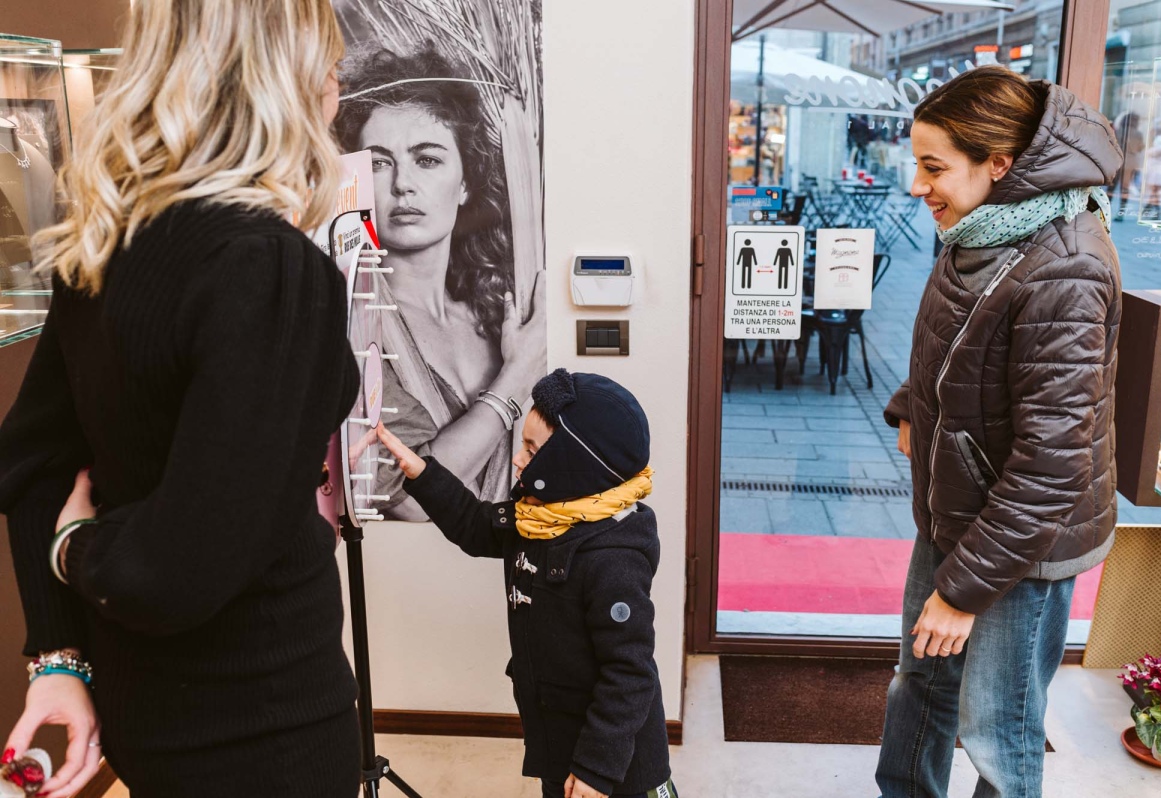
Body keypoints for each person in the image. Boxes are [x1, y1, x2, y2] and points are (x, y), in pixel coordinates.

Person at [0, 2, 361, 796]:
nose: (336, 92)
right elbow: (176, 569)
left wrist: (56, 658)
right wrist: (74, 548)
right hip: (263, 726)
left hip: (145, 709)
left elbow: (30, 463)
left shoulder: (103, 243)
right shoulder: (268, 266)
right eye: (330, 69)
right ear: (287, 81)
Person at [876, 66, 1121, 798]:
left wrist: (962, 593)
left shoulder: (1065, 267)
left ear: (1000, 163)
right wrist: (912, 407)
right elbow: (959, 338)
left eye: (933, 168)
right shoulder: (984, 228)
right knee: (920, 684)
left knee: (997, 729)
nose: (917, 186)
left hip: (1023, 543)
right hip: (961, 509)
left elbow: (1051, 463)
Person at [376, 369, 677, 798]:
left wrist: (596, 770)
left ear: (571, 466)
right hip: (558, 740)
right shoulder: (540, 520)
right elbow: (476, 527)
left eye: (532, 450)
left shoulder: (613, 559)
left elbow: (630, 673)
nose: (519, 460)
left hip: (618, 768)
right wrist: (422, 473)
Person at [334, 45, 546, 520]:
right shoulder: (354, 326)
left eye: (427, 160)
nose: (402, 185)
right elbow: (411, 501)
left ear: (465, 182)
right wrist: (518, 375)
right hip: (415, 563)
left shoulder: (499, 313)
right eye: (379, 163)